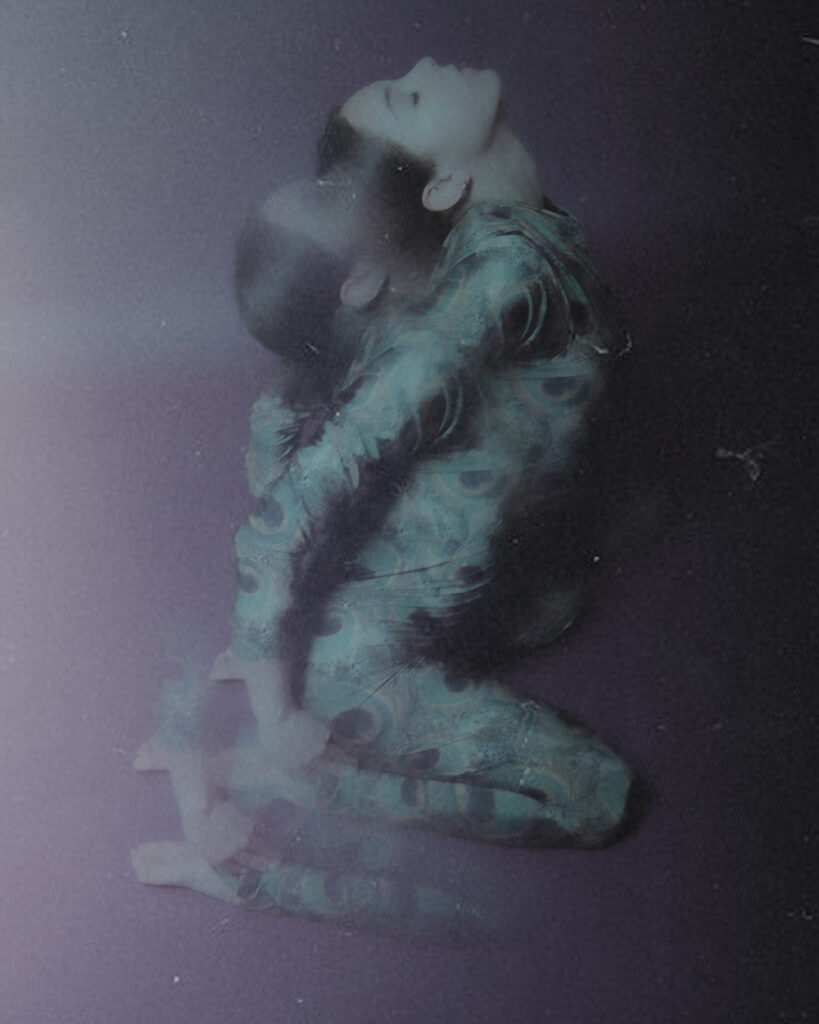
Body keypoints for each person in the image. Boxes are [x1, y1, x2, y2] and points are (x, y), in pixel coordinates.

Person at [132, 58, 640, 934]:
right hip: (361, 656)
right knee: (598, 795)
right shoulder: (488, 287)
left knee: (556, 600)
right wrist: (275, 705)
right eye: (407, 94)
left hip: (455, 601)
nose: (424, 64)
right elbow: (276, 516)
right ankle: (286, 816)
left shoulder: (483, 253)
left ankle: (286, 727)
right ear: (439, 185)